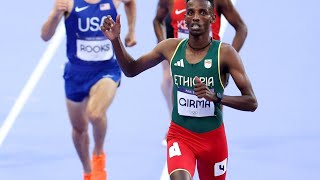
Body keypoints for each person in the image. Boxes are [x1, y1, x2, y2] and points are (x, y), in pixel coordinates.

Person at [101, 0, 257, 179]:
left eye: (202, 13)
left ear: (213, 17)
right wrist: (116, 41)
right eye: (191, 13)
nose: (196, 17)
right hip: (180, 136)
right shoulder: (170, 48)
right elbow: (131, 69)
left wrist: (217, 97)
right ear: (185, 18)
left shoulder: (226, 54)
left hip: (213, 140)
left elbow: (251, 102)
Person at [41, 0, 136, 179]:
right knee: (79, 129)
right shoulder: (68, 3)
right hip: (76, 75)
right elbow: (45, 36)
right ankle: (87, 171)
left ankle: (99, 154)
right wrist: (54, 15)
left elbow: (130, 2)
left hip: (106, 70)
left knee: (95, 113)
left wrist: (131, 30)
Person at [153, 0, 248, 145]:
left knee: (212, 100)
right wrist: (164, 50)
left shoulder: (218, 2)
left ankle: (215, 137)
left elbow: (241, 28)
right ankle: (175, 123)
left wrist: (227, 62)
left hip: (209, 59)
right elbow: (157, 21)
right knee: (169, 82)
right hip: (181, 55)